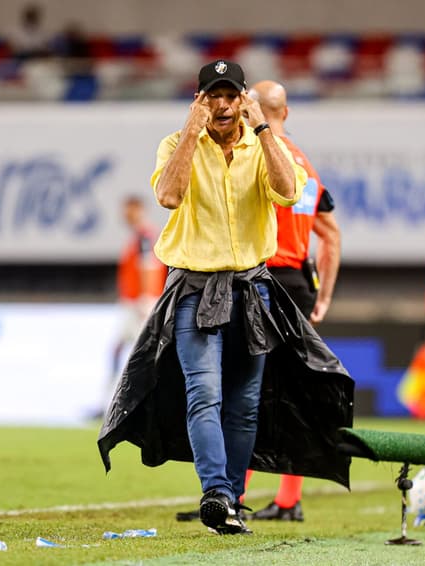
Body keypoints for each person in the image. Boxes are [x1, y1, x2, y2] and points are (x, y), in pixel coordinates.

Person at [98, 60, 355, 537]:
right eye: (211, 96)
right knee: (205, 393)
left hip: (252, 287)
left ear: (242, 100)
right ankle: (215, 491)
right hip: (195, 288)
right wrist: (189, 130)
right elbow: (170, 196)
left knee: (245, 404)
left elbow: (285, 189)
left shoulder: (263, 145)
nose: (221, 104)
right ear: (199, 101)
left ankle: (231, 501)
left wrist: (262, 128)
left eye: (229, 95)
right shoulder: (176, 146)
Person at [174, 79, 342, 523]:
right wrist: (323, 291)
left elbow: (282, 198)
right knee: (280, 392)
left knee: (251, 394)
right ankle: (248, 495)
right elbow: (330, 232)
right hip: (291, 280)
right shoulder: (303, 160)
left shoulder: (269, 154)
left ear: (254, 108)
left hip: (268, 276)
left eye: (238, 101)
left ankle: (241, 494)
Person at [101, 196, 166, 413]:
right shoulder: (140, 237)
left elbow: (149, 267)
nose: (126, 215)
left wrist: (147, 299)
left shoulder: (145, 238)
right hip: (135, 304)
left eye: (130, 209)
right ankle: (115, 400)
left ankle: (142, 402)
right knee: (122, 350)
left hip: (139, 305)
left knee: (142, 353)